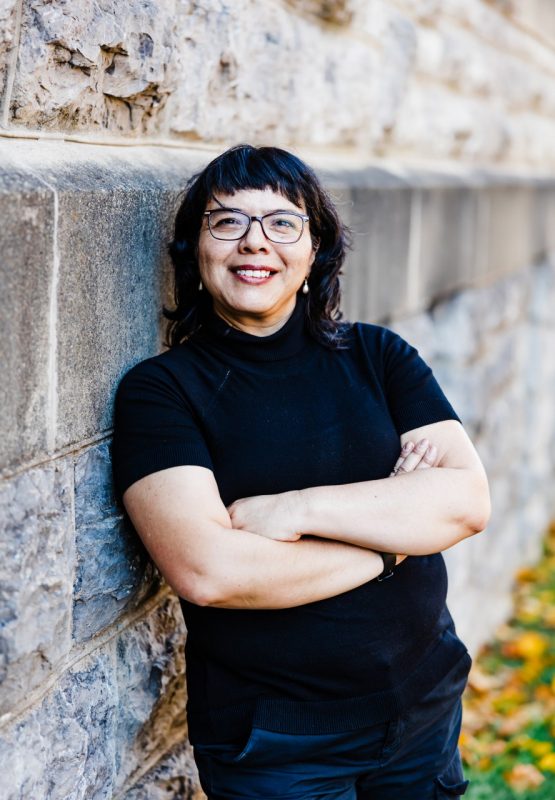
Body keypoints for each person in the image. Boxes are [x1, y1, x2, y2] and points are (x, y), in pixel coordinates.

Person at [112, 144, 491, 800]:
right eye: (226, 222)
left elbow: (463, 504)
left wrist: (294, 510)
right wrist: (393, 541)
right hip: (279, 747)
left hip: (423, 706)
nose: (254, 242)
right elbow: (211, 572)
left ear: (314, 250)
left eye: (281, 223)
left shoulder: (378, 356)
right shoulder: (163, 391)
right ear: (194, 252)